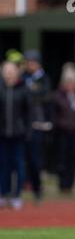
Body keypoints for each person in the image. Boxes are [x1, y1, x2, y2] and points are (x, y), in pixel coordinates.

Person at [52, 62, 75, 194]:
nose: (71, 85)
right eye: (68, 82)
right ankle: (62, 185)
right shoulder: (58, 97)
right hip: (62, 132)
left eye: (73, 82)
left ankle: (70, 185)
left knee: (73, 158)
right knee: (62, 159)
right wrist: (61, 124)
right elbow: (54, 114)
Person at [0, 61, 31, 210]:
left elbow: (28, 112)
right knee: (3, 164)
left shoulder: (23, 89)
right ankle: (3, 194)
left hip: (18, 135)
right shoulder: (1, 88)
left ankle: (17, 195)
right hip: (2, 134)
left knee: (18, 165)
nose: (8, 73)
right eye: (6, 70)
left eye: (11, 70)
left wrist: (26, 130)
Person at [22, 49, 52, 202]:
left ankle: (37, 188)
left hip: (38, 125)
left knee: (35, 159)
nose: (29, 64)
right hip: (22, 124)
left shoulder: (44, 79)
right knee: (21, 158)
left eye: (32, 61)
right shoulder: (23, 77)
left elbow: (43, 97)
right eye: (28, 62)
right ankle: (19, 188)